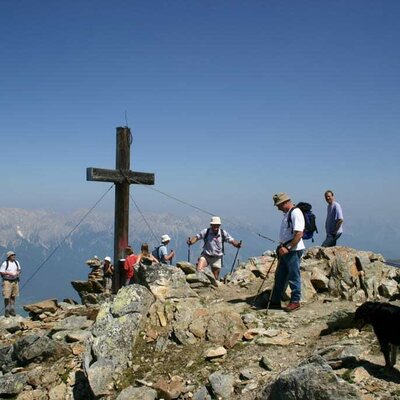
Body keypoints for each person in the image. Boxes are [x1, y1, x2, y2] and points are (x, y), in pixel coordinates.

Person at [270, 193, 305, 312]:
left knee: (293, 275)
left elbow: (299, 233)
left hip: (293, 250)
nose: (277, 208)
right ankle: (275, 300)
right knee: (280, 275)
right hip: (285, 249)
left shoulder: (295, 213)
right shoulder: (288, 214)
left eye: (278, 205)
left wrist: (288, 247)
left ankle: (295, 301)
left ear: (284, 202)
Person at [0, 251, 21, 317]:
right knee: (7, 296)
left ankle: (12, 309)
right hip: (7, 281)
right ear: (9, 256)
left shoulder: (16, 262)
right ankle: (6, 310)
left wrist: (18, 273)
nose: (14, 256)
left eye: (14, 255)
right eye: (12, 255)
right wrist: (9, 273)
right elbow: (1, 272)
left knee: (13, 295)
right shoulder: (5, 263)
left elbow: (19, 269)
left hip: (15, 280)